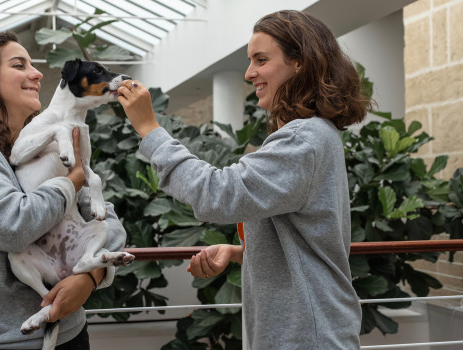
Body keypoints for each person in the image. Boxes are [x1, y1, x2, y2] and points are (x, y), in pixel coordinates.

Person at [117, 10, 370, 350]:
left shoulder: (303, 139)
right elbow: (307, 239)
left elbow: (218, 194)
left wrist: (149, 129)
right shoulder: (314, 134)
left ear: (300, 63)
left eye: (261, 60)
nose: (249, 73)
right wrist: (239, 253)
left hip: (307, 336)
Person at [0, 31, 127, 349]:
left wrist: (89, 277)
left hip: (68, 331)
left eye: (32, 66)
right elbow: (10, 227)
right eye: (19, 65)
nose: (36, 74)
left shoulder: (46, 142)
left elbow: (107, 220)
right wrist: (71, 181)